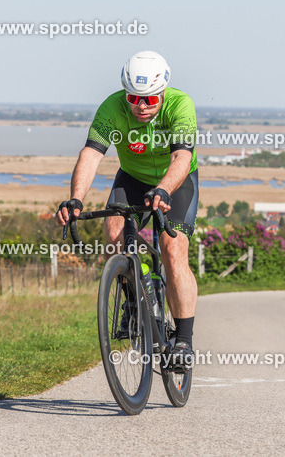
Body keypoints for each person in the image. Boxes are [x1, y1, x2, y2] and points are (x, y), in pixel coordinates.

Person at [56, 50, 199, 370]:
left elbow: (182, 159)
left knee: (173, 249)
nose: (143, 106)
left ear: (163, 92)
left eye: (150, 99)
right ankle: (135, 302)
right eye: (135, 98)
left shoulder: (180, 105)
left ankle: (185, 342)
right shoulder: (111, 107)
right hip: (132, 178)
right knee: (115, 237)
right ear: (125, 92)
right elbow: (91, 155)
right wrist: (76, 199)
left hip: (175, 181)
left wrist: (163, 190)